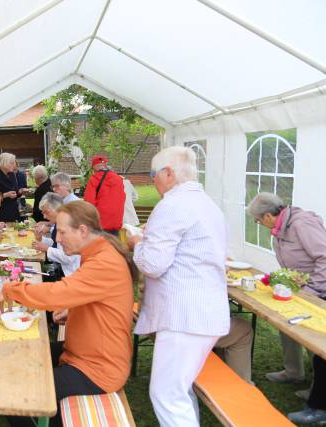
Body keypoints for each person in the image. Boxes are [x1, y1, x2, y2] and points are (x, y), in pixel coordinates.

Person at [0, 200, 136, 427]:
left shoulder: (105, 262)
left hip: (97, 368)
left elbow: (56, 294)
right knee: (21, 354)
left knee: (14, 391)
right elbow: (95, 300)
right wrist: (74, 311)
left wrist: (11, 290)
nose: (57, 239)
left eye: (62, 232)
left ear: (83, 230)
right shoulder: (100, 252)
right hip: (83, 354)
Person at [127, 146, 230, 427]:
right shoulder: (207, 203)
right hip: (204, 310)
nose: (152, 181)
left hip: (185, 314)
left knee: (166, 394)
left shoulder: (172, 204)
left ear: (169, 173)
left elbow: (152, 264)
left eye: (153, 174)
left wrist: (137, 244)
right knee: (179, 388)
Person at [247, 192, 326, 423]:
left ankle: (318, 401)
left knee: (317, 341)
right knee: (287, 323)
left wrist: (313, 290)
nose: (259, 225)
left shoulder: (302, 224)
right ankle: (296, 375)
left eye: (258, 220)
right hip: (305, 288)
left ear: (269, 215)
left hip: (319, 290)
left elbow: (324, 257)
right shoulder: (281, 229)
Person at [32, 193, 80, 277]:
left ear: (57, 209)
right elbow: (56, 244)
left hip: (69, 274)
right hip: (59, 268)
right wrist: (40, 239)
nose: (44, 216)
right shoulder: (59, 223)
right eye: (43, 213)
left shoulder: (69, 225)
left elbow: (69, 258)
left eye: (46, 212)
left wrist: (46, 249)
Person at [84, 155, 125, 234]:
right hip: (116, 222)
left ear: (94, 167)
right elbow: (122, 198)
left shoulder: (94, 179)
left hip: (100, 224)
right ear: (105, 165)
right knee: (114, 245)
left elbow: (89, 203)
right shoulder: (118, 178)